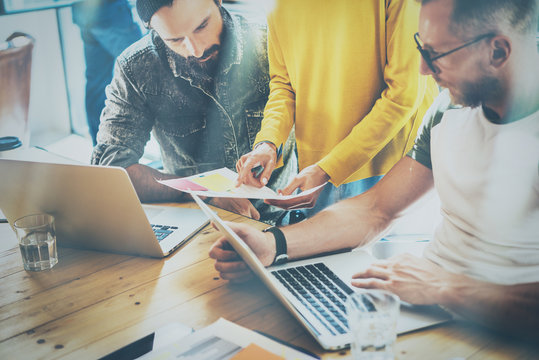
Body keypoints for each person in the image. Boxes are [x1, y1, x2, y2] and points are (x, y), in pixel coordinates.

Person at [210, 0, 539, 334]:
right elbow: (376, 210)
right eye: (420, 49)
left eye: (436, 54)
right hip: (422, 306)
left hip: (496, 330)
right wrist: (271, 244)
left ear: (498, 52)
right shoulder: (446, 110)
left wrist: (447, 287)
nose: (423, 70)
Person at [91, 0, 296, 224]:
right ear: (153, 29)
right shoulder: (137, 68)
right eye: (175, 39)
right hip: (199, 222)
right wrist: (203, 193)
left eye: (201, 26)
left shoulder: (269, 44)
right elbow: (112, 171)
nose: (196, 49)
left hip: (284, 217)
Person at [235, 0, 439, 219]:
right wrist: (268, 143)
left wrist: (329, 168)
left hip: (390, 166)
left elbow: (403, 95)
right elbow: (284, 84)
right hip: (316, 170)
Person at [72, 0, 143, 145]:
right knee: (147, 70)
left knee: (96, 84)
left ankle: (101, 148)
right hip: (111, 13)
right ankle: (174, 150)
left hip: (86, 13)